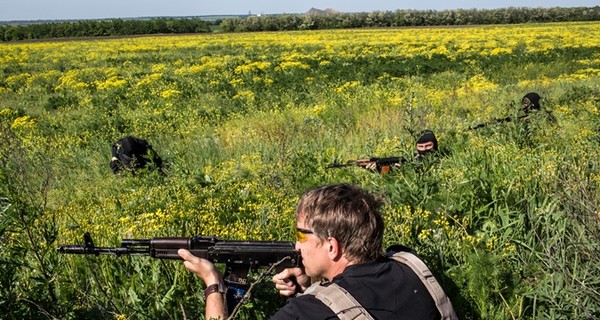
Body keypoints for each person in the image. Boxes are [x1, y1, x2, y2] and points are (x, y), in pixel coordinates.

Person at [179, 183, 450, 319]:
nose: (297, 245)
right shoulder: (412, 268)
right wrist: (315, 290)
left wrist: (213, 284)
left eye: (301, 235)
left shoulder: (305, 313)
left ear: (332, 246)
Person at [364, 129, 439, 173]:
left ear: (435, 145)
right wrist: (378, 170)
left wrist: (405, 169)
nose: (424, 149)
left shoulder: (440, 161)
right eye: (420, 147)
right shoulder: (412, 158)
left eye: (428, 146)